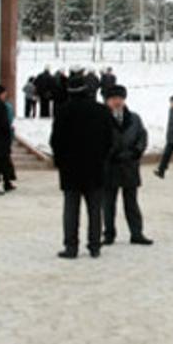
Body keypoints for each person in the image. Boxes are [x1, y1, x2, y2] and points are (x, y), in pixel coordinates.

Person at [51, 73, 114, 258]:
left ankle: (71, 247)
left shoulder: (63, 111)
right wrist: (102, 158)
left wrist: (60, 162)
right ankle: (95, 246)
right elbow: (109, 140)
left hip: (70, 169)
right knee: (95, 209)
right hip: (95, 168)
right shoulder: (102, 111)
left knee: (71, 209)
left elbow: (56, 141)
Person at [102, 84, 154, 247]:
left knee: (131, 203)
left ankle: (136, 233)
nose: (117, 102)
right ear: (107, 101)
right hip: (110, 167)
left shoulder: (134, 118)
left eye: (120, 98)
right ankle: (109, 234)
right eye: (113, 99)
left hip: (129, 166)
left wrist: (136, 152)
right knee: (108, 204)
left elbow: (142, 136)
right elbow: (96, 140)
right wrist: (110, 154)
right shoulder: (101, 118)